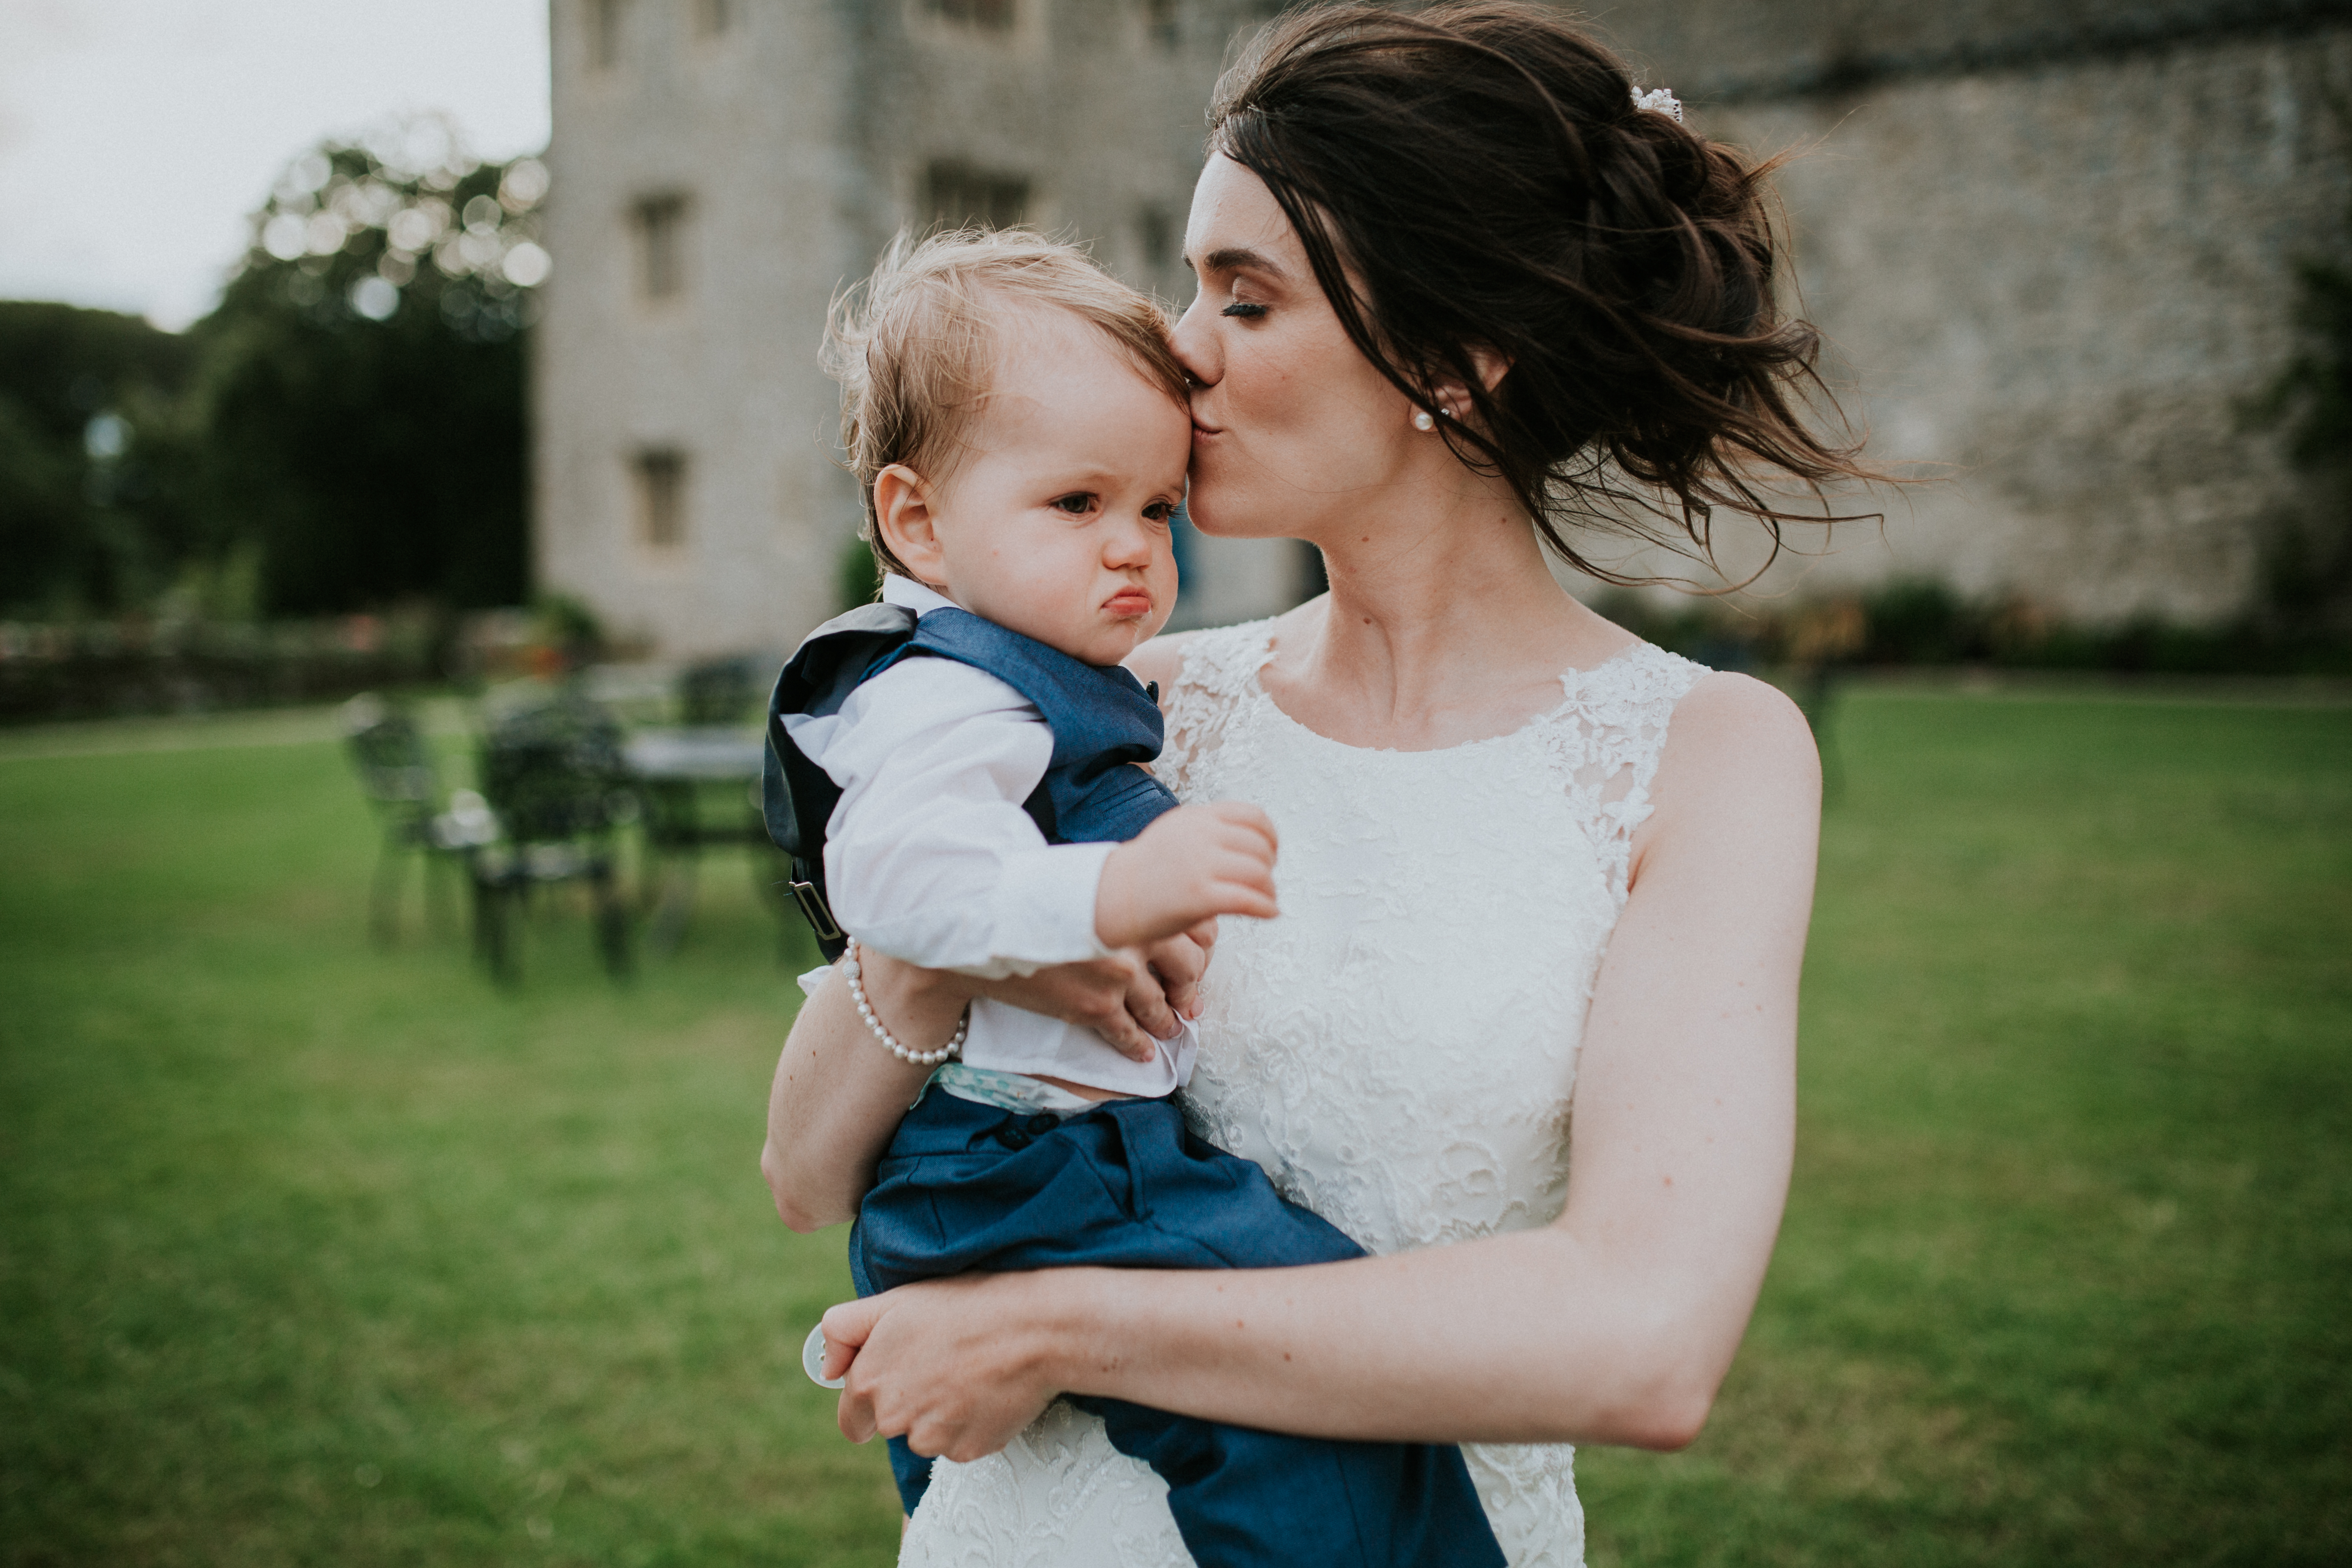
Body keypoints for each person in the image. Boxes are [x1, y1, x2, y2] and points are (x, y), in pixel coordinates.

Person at [761, 4, 1877, 1562]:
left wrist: (1051, 1327)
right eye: (1190, 283)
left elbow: (1645, 1336)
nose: (1178, 346)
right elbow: (807, 1172)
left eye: (1246, 296)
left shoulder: (1704, 758)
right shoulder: (1121, 707)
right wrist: (958, 935)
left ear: (1454, 363)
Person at [773, 230, 1508, 1566]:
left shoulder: (1047, 677)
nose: (1130, 550)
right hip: (1024, 1161)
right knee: (1314, 1373)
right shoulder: (951, 694)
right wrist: (1110, 892)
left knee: (1307, 1371)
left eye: (1153, 511)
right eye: (1076, 505)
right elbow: (888, 884)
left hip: (1063, 1156)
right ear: (917, 521)